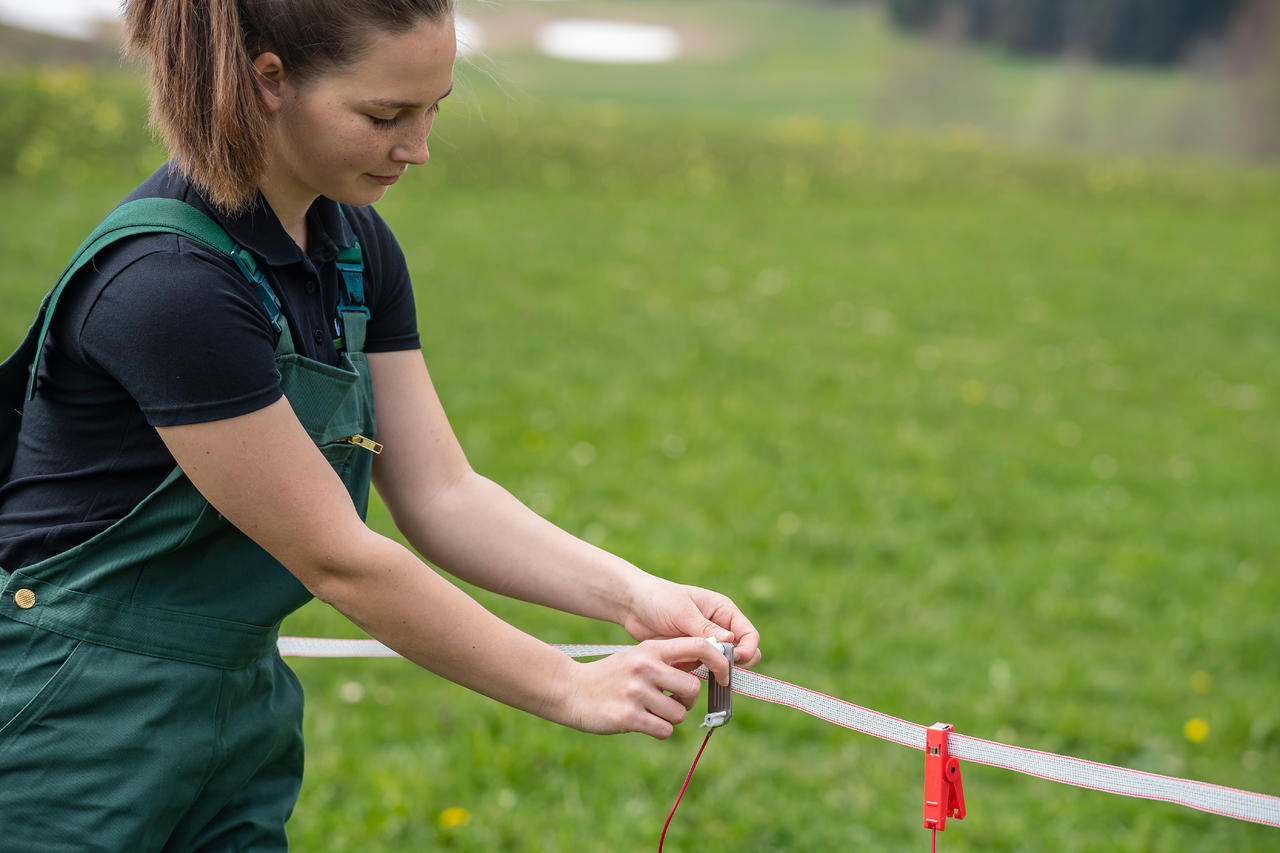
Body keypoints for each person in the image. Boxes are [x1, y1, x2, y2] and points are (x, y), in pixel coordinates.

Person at [0, 0, 761, 849]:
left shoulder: (355, 250)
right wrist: (565, 685)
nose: (418, 147)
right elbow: (340, 558)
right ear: (269, 80)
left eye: (432, 108)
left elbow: (443, 492)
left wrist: (636, 595)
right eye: (384, 116)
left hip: (235, 712)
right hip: (68, 719)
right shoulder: (171, 284)